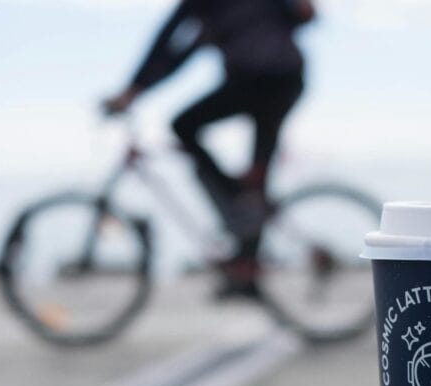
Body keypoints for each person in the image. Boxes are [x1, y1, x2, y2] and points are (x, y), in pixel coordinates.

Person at [103, 0, 315, 297]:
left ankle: (236, 206)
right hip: (275, 79)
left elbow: (169, 47)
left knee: (184, 126)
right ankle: (246, 270)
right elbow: (175, 50)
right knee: (254, 187)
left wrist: (133, 91)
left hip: (270, 80)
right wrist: (136, 89)